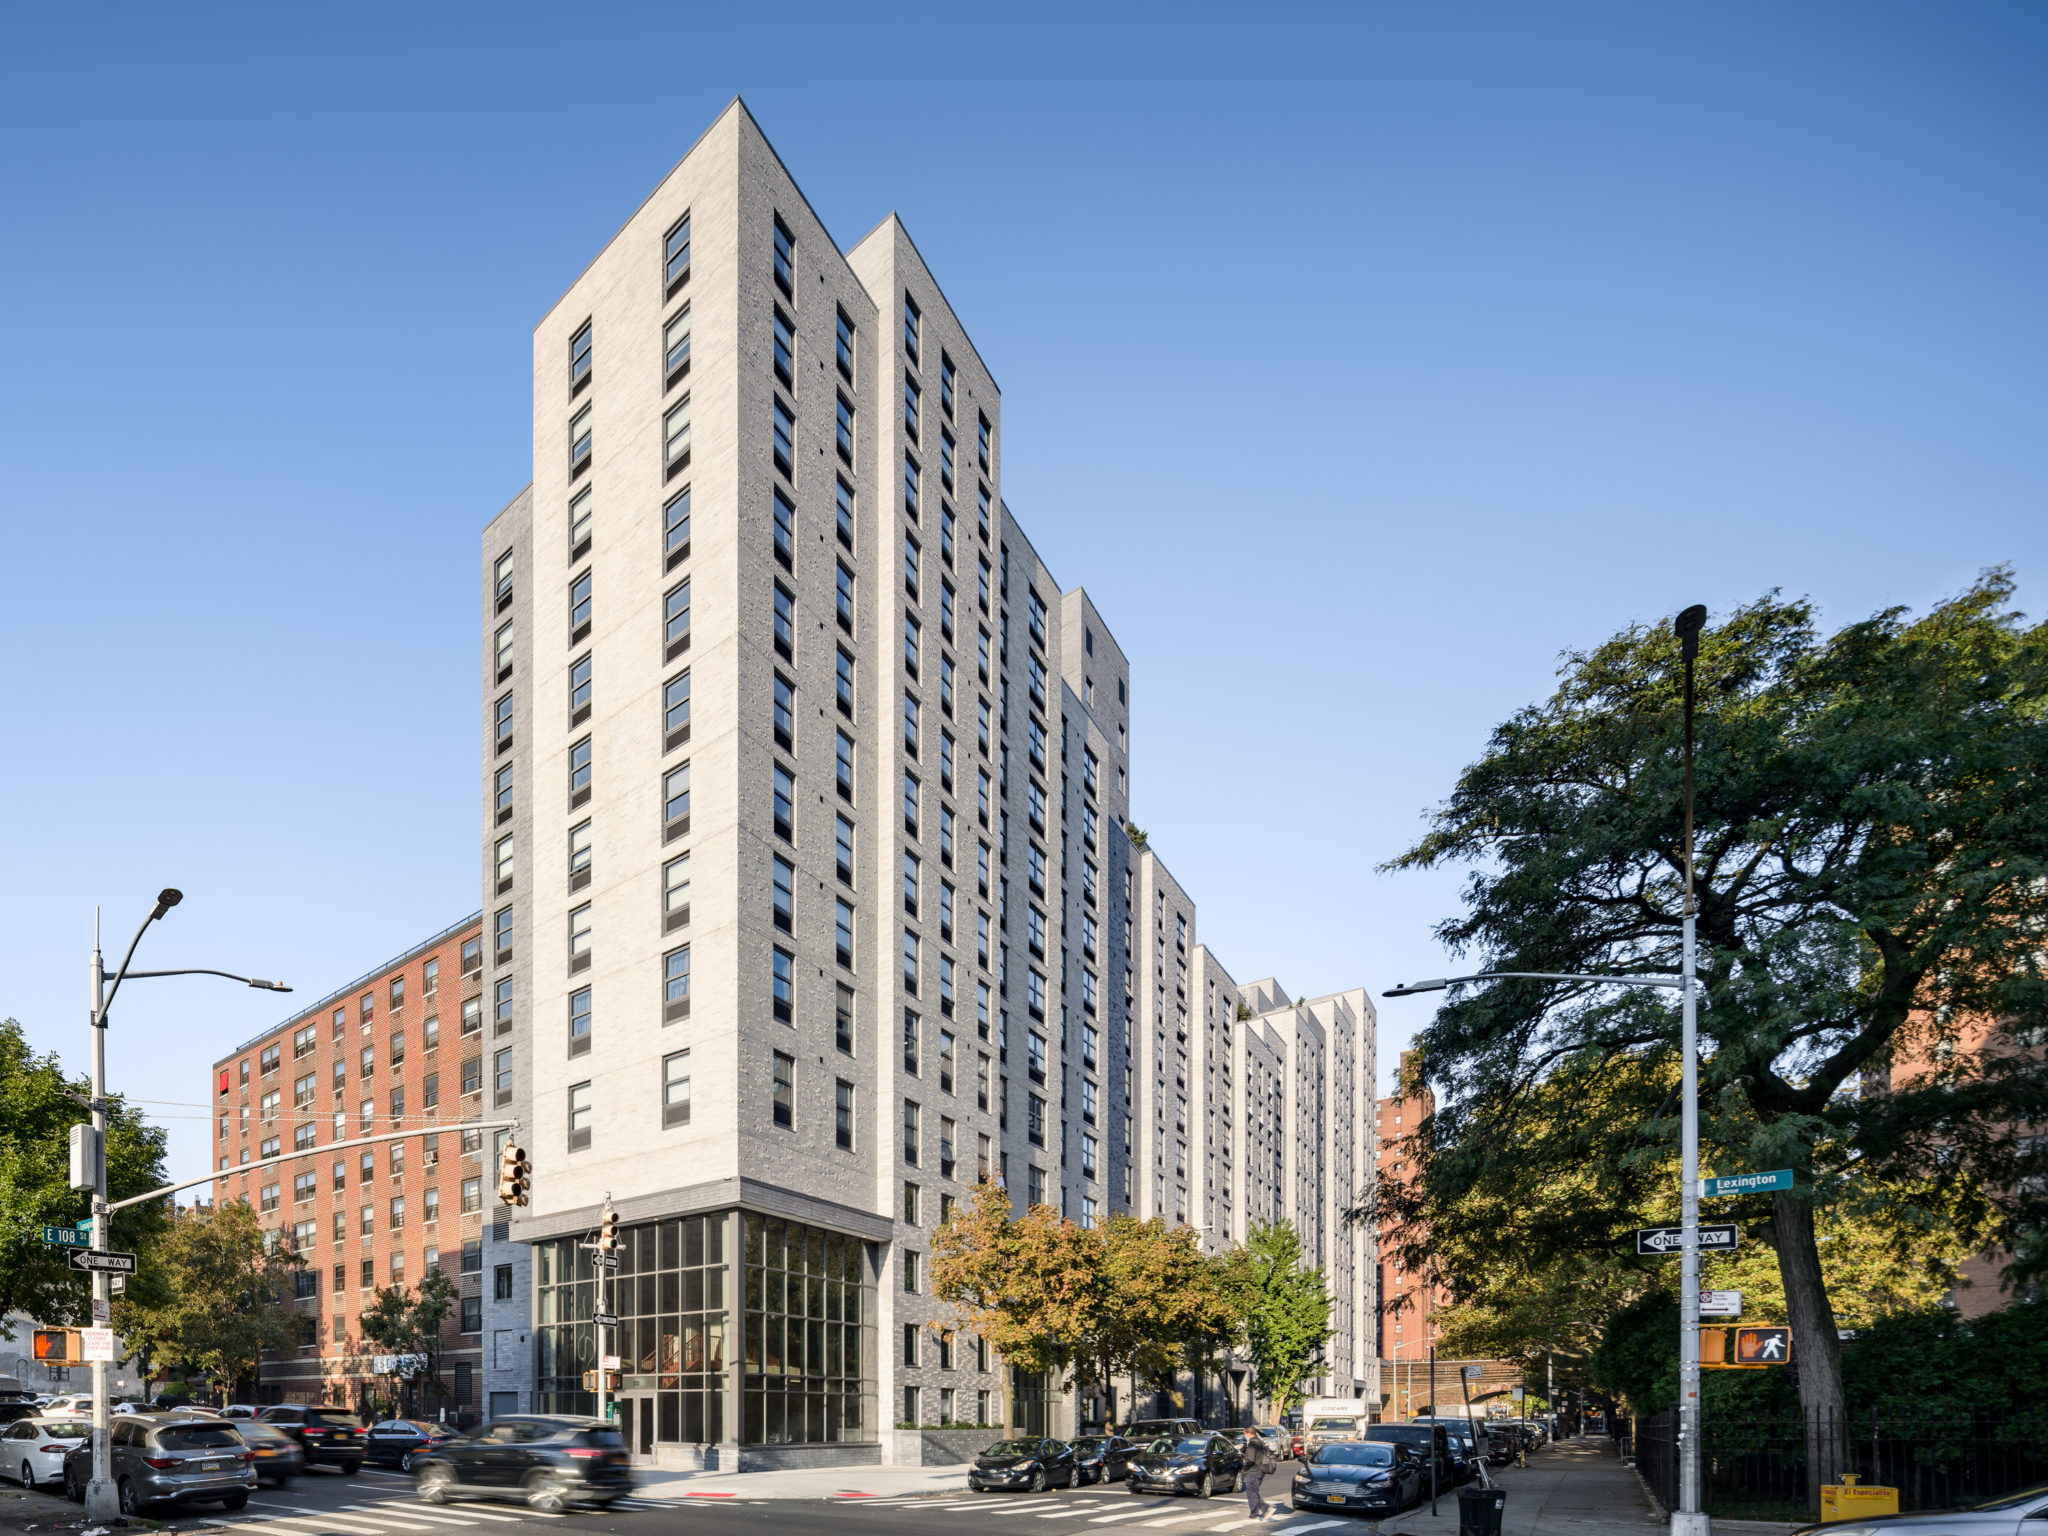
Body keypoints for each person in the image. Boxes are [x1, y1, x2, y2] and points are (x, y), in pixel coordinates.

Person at [1240, 1428, 1278, 1519]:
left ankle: (1256, 1514)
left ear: (1247, 1433)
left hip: (1253, 1470)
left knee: (1252, 1493)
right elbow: (1257, 1455)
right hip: (1260, 1470)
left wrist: (1245, 1468)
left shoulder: (1252, 1443)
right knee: (1254, 1492)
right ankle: (1264, 1509)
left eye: (1244, 1433)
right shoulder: (1260, 1441)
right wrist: (1244, 1449)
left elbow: (1250, 1459)